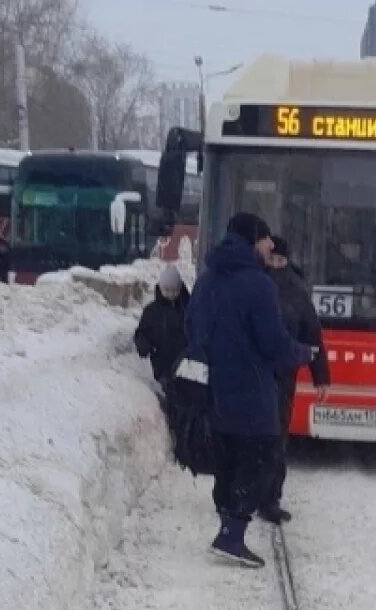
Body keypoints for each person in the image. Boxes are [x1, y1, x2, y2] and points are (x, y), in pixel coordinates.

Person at [185, 213, 312, 568]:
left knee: (227, 456)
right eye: (267, 238)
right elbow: (273, 344)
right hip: (252, 388)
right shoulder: (259, 285)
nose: (271, 245)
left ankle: (227, 519)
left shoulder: (208, 280)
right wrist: (302, 352)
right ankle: (231, 534)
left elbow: (192, 327)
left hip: (215, 386)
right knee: (260, 458)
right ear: (253, 239)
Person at [260, 235, 331, 524]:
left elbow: (312, 334)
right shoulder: (252, 284)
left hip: (283, 376)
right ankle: (243, 493)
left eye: (280, 260)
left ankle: (270, 498)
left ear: (287, 261)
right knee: (251, 437)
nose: (276, 265)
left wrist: (321, 376)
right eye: (272, 259)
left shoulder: (297, 291)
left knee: (276, 438)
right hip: (254, 372)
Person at [134, 264, 190, 391]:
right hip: (163, 365)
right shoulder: (152, 311)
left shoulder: (189, 308)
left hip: (187, 365)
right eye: (167, 290)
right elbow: (142, 332)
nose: (171, 294)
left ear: (180, 288)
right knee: (170, 393)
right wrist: (143, 344)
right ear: (161, 288)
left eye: (174, 290)